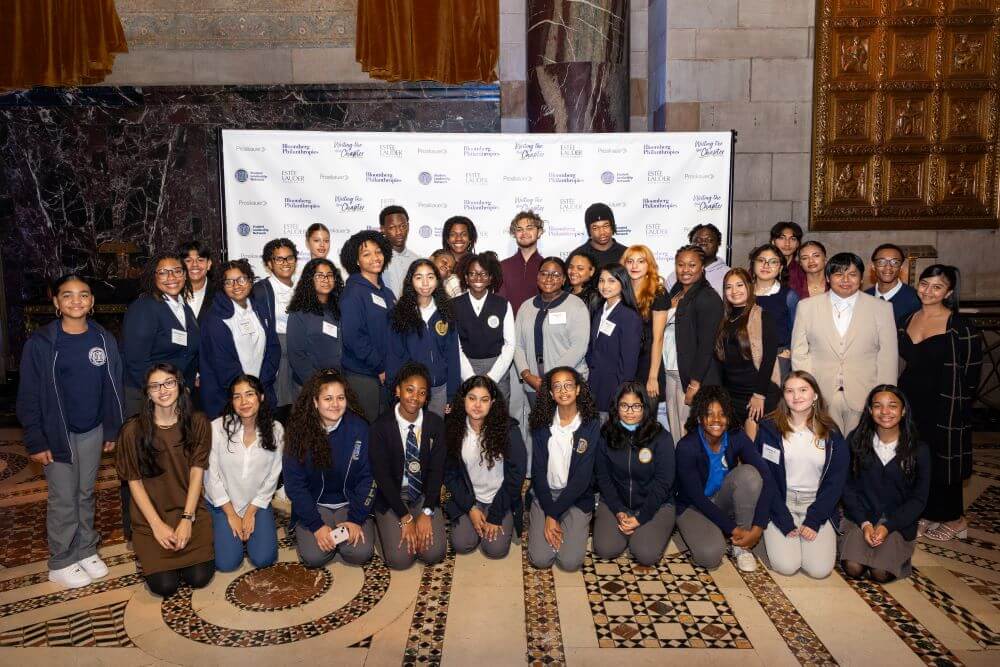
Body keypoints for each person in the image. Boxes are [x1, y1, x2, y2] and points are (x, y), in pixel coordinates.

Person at [17, 274, 124, 588]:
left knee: (85, 493)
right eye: (68, 295)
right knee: (63, 497)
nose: (76, 301)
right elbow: (29, 394)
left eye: (83, 295)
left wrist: (111, 429)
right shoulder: (42, 343)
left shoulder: (103, 338)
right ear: (56, 302)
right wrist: (35, 438)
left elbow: (113, 387)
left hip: (92, 429)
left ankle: (85, 548)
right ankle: (61, 560)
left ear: (92, 302)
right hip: (56, 434)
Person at [115, 364, 215, 597]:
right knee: (164, 587)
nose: (163, 390)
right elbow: (133, 481)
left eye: (169, 383)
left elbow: (197, 472)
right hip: (151, 516)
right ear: (147, 393)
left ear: (179, 386)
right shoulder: (132, 431)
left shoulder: (198, 422)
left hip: (189, 510)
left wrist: (187, 519)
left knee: (199, 578)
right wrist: (157, 525)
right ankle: (148, 551)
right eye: (155, 386)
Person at [898, 265, 982, 541]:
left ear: (949, 292)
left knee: (944, 461)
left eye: (937, 287)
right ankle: (926, 512)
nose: (928, 291)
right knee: (917, 458)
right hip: (910, 400)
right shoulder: (907, 318)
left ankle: (955, 518)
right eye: (924, 284)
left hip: (945, 403)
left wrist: (960, 406)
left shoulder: (960, 326)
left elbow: (972, 375)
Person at [792, 252, 898, 434]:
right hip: (822, 393)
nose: (845, 280)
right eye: (839, 274)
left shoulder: (881, 308)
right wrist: (807, 390)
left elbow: (888, 355)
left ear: (861, 278)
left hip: (865, 393)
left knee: (861, 452)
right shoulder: (807, 306)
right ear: (828, 277)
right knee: (826, 450)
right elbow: (799, 352)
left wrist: (884, 397)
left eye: (852, 274)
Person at [755, 371, 848, 579]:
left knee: (819, 570)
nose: (796, 396)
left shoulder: (832, 434)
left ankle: (801, 537)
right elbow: (764, 477)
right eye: (790, 391)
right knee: (787, 566)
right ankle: (766, 533)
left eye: (803, 390)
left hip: (816, 504)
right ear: (784, 396)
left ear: (815, 395)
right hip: (780, 501)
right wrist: (783, 519)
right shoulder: (769, 429)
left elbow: (835, 483)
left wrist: (814, 520)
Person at [283, 369, 376, 567]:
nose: (335, 404)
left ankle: (341, 535)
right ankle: (324, 533)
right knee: (315, 557)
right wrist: (317, 526)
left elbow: (369, 477)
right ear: (315, 402)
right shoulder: (298, 432)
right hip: (315, 504)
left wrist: (356, 519)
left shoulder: (359, 428)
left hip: (349, 503)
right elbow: (294, 485)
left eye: (340, 398)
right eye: (328, 398)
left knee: (360, 553)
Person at [674, 385, 773, 572]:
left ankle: (741, 547)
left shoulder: (737, 437)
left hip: (720, 500)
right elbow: (697, 497)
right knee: (710, 556)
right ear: (699, 417)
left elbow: (766, 477)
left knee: (750, 475)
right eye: (709, 414)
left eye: (722, 414)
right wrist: (733, 529)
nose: (716, 420)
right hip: (693, 506)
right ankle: (715, 531)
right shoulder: (686, 447)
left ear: (728, 416)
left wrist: (757, 528)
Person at [841, 385, 930, 582]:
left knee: (880, 574)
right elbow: (846, 486)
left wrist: (888, 526)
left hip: (898, 522)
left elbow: (919, 499)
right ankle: (855, 542)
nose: (885, 412)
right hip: (861, 518)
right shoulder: (855, 441)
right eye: (878, 406)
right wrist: (864, 523)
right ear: (870, 410)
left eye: (892, 406)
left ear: (903, 410)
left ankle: (900, 557)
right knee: (853, 568)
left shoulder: (918, 449)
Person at [368, 363, 448, 569]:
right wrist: (405, 517)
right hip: (392, 497)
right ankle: (379, 528)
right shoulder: (381, 427)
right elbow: (382, 476)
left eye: (422, 393)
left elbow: (437, 472)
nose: (415, 397)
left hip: (422, 495)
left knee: (433, 554)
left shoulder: (435, 425)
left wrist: (427, 512)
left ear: (427, 397)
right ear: (397, 390)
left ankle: (418, 519)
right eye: (409, 390)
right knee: (400, 560)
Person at [204, 375, 282, 571]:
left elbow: (273, 476)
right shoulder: (217, 428)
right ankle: (224, 530)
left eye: (249, 394)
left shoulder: (276, 430)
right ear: (231, 401)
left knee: (264, 558)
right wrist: (231, 515)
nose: (244, 401)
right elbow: (210, 476)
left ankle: (252, 528)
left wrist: (250, 512)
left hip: (256, 502)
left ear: (261, 397)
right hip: (222, 503)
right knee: (227, 563)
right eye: (237, 396)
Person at [444, 376, 527, 558]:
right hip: (470, 498)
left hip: (499, 497)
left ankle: (503, 520)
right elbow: (450, 474)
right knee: (462, 544)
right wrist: (470, 508)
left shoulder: (508, 430)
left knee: (495, 550)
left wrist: (496, 515)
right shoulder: (453, 429)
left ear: (493, 402)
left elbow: (517, 474)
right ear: (463, 399)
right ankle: (475, 521)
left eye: (484, 400)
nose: (477, 405)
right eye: (472, 398)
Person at [593, 382, 676, 566]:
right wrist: (618, 510)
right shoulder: (606, 435)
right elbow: (603, 478)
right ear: (616, 408)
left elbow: (664, 483)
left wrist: (641, 518)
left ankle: (642, 533)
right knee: (605, 549)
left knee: (645, 554)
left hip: (656, 505)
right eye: (624, 405)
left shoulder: (661, 437)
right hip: (617, 503)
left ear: (645, 407)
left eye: (636, 406)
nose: (630, 411)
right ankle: (632, 531)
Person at [527, 367, 600, 571]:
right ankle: (543, 519)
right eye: (557, 386)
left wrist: (552, 516)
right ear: (550, 393)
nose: (563, 390)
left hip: (577, 497)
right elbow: (538, 472)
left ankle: (563, 525)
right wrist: (550, 510)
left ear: (577, 389)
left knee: (569, 563)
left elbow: (582, 479)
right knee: (540, 560)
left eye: (568, 385)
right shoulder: (541, 423)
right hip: (545, 495)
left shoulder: (590, 424)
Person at [199, 259, 280, 420]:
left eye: (241, 279)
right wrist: (249, 393)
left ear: (250, 281)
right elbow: (223, 365)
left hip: (261, 393)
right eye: (229, 282)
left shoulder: (260, 308)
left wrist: (261, 386)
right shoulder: (214, 318)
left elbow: (273, 347)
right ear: (222, 286)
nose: (236, 286)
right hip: (229, 398)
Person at [122, 252, 200, 416]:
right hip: (146, 396)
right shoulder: (143, 307)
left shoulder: (183, 306)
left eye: (177, 271)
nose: (171, 277)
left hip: (176, 394)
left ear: (185, 275)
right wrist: (159, 392)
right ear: (153, 277)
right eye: (163, 272)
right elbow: (136, 361)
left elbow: (190, 353)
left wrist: (186, 386)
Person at [387, 259, 460, 416]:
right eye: (419, 277)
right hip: (411, 390)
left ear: (437, 280)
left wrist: (452, 394)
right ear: (411, 281)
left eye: (430, 277)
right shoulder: (399, 314)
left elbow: (453, 355)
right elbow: (395, 355)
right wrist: (396, 388)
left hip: (440, 388)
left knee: (435, 436)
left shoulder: (446, 312)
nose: (425, 283)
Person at [514, 258, 590, 407]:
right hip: (533, 384)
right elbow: (517, 345)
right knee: (540, 428)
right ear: (537, 277)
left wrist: (551, 378)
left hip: (566, 385)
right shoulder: (526, 307)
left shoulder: (576, 305)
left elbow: (578, 347)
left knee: (568, 428)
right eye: (544, 273)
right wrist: (527, 375)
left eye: (555, 274)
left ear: (563, 280)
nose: (549, 278)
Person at [666, 245, 724, 438]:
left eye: (692, 265)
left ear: (702, 268)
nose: (685, 270)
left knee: (688, 433)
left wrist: (695, 384)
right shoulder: (676, 292)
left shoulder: (708, 297)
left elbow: (706, 346)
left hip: (692, 377)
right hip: (672, 371)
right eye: (681, 265)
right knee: (676, 431)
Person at [716, 268, 780, 439]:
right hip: (731, 395)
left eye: (739, 285)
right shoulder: (725, 319)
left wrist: (759, 394)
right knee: (733, 448)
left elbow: (769, 358)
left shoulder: (763, 316)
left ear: (749, 287)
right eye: (728, 287)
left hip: (757, 392)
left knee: (752, 451)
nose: (734, 291)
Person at [339, 230, 396, 421]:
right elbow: (354, 337)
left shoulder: (387, 293)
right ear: (356, 261)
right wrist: (379, 367)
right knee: (366, 430)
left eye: (378, 251)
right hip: (364, 375)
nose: (375, 257)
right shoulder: (353, 292)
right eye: (366, 254)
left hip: (387, 374)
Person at [452, 252, 515, 402]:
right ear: (466, 278)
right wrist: (470, 377)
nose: (478, 278)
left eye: (483, 274)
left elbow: (510, 344)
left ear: (490, 278)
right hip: (465, 368)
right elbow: (455, 346)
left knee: (498, 418)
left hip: (498, 368)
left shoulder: (503, 304)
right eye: (472, 274)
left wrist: (492, 377)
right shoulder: (453, 305)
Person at [586, 265, 642, 418]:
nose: (605, 286)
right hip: (595, 386)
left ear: (622, 283)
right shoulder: (599, 311)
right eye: (601, 281)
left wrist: (621, 395)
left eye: (611, 281)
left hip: (614, 391)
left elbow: (629, 363)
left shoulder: (628, 316)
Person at [622, 245, 670, 423]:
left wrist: (653, 377)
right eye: (630, 261)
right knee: (624, 420)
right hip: (625, 364)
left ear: (649, 265)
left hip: (648, 364)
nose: (635, 266)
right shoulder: (620, 292)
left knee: (645, 422)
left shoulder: (658, 293)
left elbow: (658, 339)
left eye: (641, 261)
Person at [252, 238, 299, 419]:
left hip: (297, 352)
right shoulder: (260, 290)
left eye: (289, 258)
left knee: (296, 406)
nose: (285, 263)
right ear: (269, 264)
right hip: (275, 353)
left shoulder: (301, 288)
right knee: (277, 406)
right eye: (279, 259)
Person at [286, 258, 344, 387]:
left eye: (329, 275)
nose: (325, 279)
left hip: (340, 382)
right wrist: (318, 384)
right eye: (319, 275)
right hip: (310, 385)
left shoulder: (340, 307)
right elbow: (296, 355)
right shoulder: (299, 312)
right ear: (310, 279)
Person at [749, 243, 798, 378]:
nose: (766, 265)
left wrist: (787, 351)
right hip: (746, 358)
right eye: (761, 260)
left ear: (781, 268)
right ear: (753, 264)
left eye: (773, 262)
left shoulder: (789, 296)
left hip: (778, 358)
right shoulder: (743, 293)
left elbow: (797, 330)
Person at [498, 210, 545, 315]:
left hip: (539, 328)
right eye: (519, 229)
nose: (524, 233)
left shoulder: (546, 267)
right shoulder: (502, 266)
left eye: (529, 228)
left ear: (539, 232)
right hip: (508, 327)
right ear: (514, 234)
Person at [667, 224, 730, 296]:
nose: (703, 242)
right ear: (691, 244)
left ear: (718, 243)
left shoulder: (729, 275)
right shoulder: (675, 276)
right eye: (698, 240)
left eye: (709, 240)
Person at [865, 243, 920, 323]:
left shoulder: (916, 300)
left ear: (901, 267)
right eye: (881, 262)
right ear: (873, 266)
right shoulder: (864, 297)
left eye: (895, 262)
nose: (888, 267)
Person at [380, 205, 421, 299]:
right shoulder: (377, 260)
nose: (398, 232)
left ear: (408, 226)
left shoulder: (416, 260)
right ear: (383, 229)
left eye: (402, 226)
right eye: (392, 227)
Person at [569, 202, 628, 267]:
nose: (602, 232)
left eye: (605, 226)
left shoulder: (627, 254)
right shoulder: (577, 256)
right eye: (595, 228)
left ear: (612, 226)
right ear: (589, 230)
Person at [179, 240, 215, 322]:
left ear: (209, 264)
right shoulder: (171, 294)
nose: (195, 265)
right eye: (188, 260)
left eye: (200, 260)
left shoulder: (221, 294)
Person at [769, 222, 806, 298]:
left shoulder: (802, 271)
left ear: (798, 244)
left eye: (793, 239)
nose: (787, 243)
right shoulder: (761, 267)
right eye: (781, 238)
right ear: (773, 241)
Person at [565, 249, 601, 314]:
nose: (573, 271)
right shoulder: (565, 293)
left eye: (580, 268)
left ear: (592, 271)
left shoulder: (595, 297)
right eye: (571, 267)